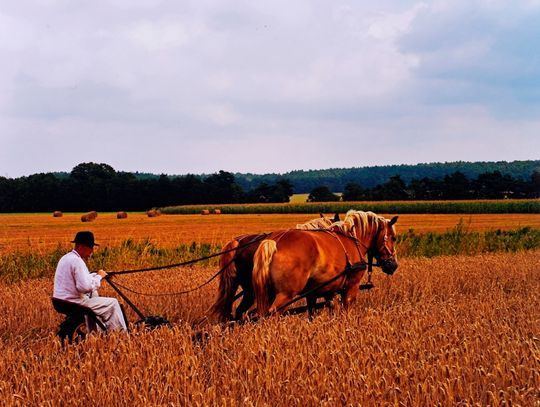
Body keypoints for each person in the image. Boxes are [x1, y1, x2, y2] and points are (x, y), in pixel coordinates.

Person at [53, 231, 128, 332]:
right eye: (91, 247)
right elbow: (85, 287)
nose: (92, 251)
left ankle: (97, 332)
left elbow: (81, 279)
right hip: (73, 302)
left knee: (94, 294)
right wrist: (98, 278)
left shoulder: (66, 258)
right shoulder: (77, 261)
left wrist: (98, 275)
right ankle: (120, 336)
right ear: (82, 246)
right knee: (113, 303)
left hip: (60, 301)